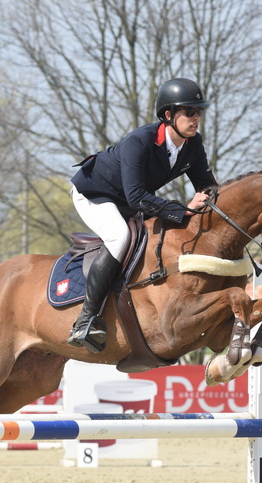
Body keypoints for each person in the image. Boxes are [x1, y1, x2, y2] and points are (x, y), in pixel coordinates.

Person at [68, 78, 218, 352]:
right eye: (189, 112)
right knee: (119, 237)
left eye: (199, 111)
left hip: (128, 199)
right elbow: (137, 196)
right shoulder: (139, 141)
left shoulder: (193, 144)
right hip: (94, 193)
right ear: (169, 115)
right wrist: (185, 209)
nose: (196, 118)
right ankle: (85, 320)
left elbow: (207, 186)